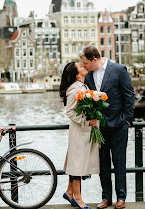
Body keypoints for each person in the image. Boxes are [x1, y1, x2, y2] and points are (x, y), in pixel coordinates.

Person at [80, 45, 134, 209]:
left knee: (119, 162)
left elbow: (129, 95)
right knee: (103, 163)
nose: (83, 67)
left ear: (94, 60)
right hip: (99, 127)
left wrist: (126, 120)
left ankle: (121, 197)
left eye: (85, 63)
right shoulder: (88, 76)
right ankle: (106, 197)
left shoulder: (118, 70)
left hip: (118, 125)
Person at [59, 62, 100, 209]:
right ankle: (78, 198)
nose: (84, 67)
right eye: (81, 67)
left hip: (83, 132)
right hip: (79, 132)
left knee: (78, 162)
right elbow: (70, 111)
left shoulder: (82, 86)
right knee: (77, 165)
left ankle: (69, 192)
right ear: (77, 74)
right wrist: (87, 122)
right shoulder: (75, 89)